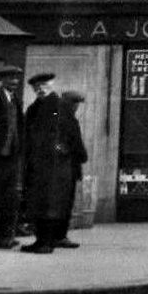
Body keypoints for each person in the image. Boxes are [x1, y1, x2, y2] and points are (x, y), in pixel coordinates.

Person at [21, 73, 86, 254]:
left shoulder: (59, 106)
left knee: (50, 203)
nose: (40, 89)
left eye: (43, 85)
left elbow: (70, 134)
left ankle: (46, 243)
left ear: (51, 85)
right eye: (36, 87)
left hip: (54, 165)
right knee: (41, 202)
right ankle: (42, 240)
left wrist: (60, 148)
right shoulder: (35, 108)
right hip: (38, 164)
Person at [0, 65, 23, 249]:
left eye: (16, 78)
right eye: (10, 78)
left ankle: (6, 236)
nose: (14, 82)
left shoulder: (15, 99)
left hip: (12, 156)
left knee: (10, 197)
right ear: (3, 80)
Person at [52, 91, 89, 250]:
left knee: (63, 203)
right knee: (64, 203)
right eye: (75, 103)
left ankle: (58, 235)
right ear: (70, 103)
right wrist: (70, 153)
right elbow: (62, 143)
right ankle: (59, 235)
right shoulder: (65, 119)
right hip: (66, 167)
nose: (77, 107)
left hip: (67, 166)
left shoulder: (62, 117)